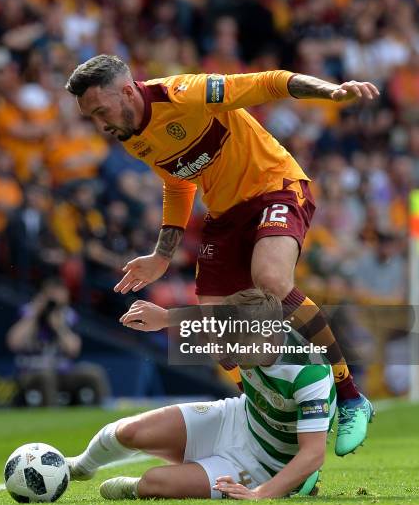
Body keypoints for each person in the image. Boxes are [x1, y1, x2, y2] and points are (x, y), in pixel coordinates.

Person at [65, 54, 378, 455]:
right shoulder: (131, 137)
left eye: (100, 110)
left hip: (274, 187)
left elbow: (270, 80)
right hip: (225, 216)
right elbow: (178, 183)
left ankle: (350, 395)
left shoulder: (185, 94)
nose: (100, 123)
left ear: (127, 91)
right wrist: (163, 256)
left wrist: (330, 92)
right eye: (91, 116)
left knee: (272, 280)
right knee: (216, 334)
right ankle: (259, 417)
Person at [67, 289, 335, 500]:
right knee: (128, 432)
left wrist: (259, 494)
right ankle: (79, 466)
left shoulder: (308, 371)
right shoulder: (249, 325)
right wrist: (164, 318)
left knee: (153, 482)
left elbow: (313, 454)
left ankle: (135, 488)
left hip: (263, 467)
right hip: (236, 417)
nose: (230, 352)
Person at [6, 278, 110, 406]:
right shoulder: (29, 312)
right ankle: (51, 419)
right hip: (31, 372)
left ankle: (102, 417)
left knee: (94, 373)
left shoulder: (67, 316)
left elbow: (74, 350)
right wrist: (35, 314)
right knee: (46, 377)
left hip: (62, 372)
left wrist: (59, 327)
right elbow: (13, 343)